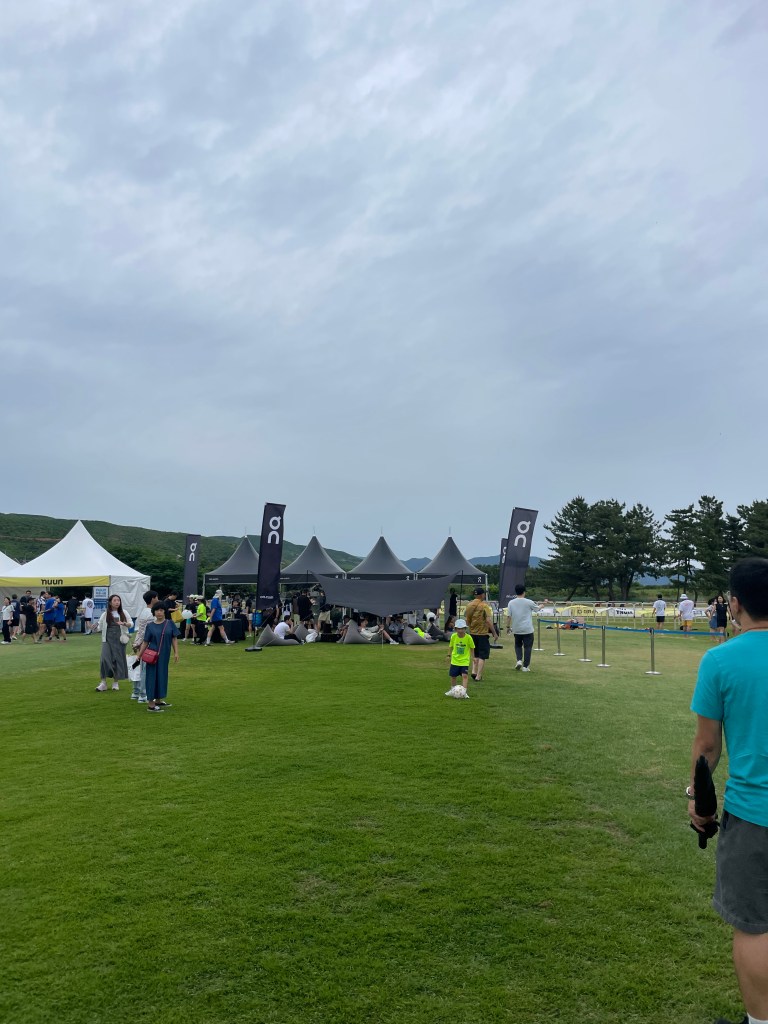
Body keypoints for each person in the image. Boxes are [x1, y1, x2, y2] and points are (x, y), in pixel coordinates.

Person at [689, 557, 768, 1024]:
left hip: (754, 814)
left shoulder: (720, 659)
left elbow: (707, 747)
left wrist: (698, 802)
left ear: (734, 605)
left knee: (755, 926)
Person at [137, 601, 179, 712]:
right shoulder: (150, 626)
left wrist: (176, 652)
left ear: (164, 611)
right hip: (152, 656)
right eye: (157, 610)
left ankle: (158, 700)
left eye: (161, 610)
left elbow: (174, 638)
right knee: (151, 677)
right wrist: (139, 655)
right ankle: (151, 704)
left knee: (162, 676)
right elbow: (145, 642)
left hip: (164, 656)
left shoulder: (170, 623)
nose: (159, 612)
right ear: (153, 612)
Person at [95, 594, 133, 692]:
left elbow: (131, 624)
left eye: (118, 600)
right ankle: (103, 682)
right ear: (110, 602)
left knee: (117, 660)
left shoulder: (124, 612)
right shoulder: (105, 614)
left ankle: (115, 682)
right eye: (115, 600)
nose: (117, 602)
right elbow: (99, 626)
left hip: (120, 640)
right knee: (104, 659)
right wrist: (95, 627)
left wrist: (124, 623)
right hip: (107, 639)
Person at [464, 586, 498, 682]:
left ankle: (473, 671)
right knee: (482, 655)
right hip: (482, 634)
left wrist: (471, 628)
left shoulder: (469, 605)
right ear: (482, 595)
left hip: (472, 633)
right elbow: (488, 620)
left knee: (475, 653)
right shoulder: (484, 606)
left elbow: (467, 619)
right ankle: (478, 676)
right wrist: (494, 633)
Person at [131, 589, 158, 703]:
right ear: (153, 599)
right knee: (145, 670)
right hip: (147, 645)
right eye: (157, 597)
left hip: (141, 643)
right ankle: (143, 694)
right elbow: (147, 632)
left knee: (139, 668)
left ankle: (136, 692)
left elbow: (140, 631)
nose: (158, 599)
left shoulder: (143, 612)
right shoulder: (150, 613)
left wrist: (136, 643)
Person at [507, 584, 539, 672]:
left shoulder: (511, 602)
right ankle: (525, 666)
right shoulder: (529, 602)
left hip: (516, 628)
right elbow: (537, 609)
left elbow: (508, 616)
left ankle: (519, 660)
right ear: (524, 592)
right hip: (527, 628)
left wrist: (508, 627)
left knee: (518, 645)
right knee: (528, 647)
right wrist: (542, 606)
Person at [445, 617, 474, 692]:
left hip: (464, 660)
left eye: (462, 629)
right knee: (453, 676)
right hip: (455, 660)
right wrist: (448, 655)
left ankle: (464, 692)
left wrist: (473, 657)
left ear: (465, 629)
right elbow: (451, 646)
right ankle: (452, 690)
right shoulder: (453, 636)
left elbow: (472, 647)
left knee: (465, 675)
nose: (460, 630)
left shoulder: (468, 637)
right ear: (455, 629)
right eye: (458, 629)